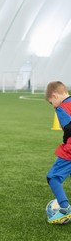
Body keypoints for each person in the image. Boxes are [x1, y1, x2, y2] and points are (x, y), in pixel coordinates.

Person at [45, 81, 71, 224]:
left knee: (52, 177)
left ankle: (65, 209)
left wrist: (66, 140)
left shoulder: (62, 108)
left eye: (51, 103)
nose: (53, 106)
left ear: (54, 96)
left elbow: (69, 129)